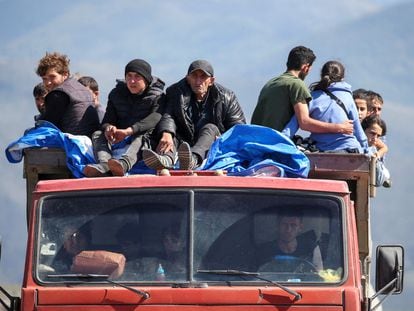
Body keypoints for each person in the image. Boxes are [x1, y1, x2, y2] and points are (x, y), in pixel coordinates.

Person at [142, 59, 246, 170]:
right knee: (172, 134)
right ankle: (166, 160)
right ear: (188, 78)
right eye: (194, 76)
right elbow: (168, 115)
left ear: (211, 81)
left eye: (203, 77)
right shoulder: (175, 92)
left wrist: (223, 139)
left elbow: (239, 129)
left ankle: (193, 160)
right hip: (184, 143)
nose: (198, 81)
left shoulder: (227, 97)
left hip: (212, 142)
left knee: (210, 128)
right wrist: (166, 133)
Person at [83, 59, 165, 177]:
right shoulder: (116, 94)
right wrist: (109, 128)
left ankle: (123, 165)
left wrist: (129, 131)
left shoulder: (158, 96)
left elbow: (154, 119)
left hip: (145, 138)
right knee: (97, 134)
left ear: (146, 79)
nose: (132, 81)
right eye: (129, 76)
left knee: (141, 137)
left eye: (137, 77)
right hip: (120, 137)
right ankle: (105, 165)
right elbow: (107, 120)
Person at [251, 46, 353, 135]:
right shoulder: (297, 84)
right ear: (305, 67)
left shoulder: (271, 83)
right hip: (274, 142)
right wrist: (339, 127)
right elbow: (304, 123)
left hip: (256, 138)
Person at [283, 61, 368, 153]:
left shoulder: (311, 97)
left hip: (319, 151)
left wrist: (279, 143)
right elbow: (358, 130)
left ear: (321, 75)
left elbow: (291, 127)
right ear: (342, 78)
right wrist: (366, 149)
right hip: (348, 149)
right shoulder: (348, 97)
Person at [36, 52, 100, 137]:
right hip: (90, 141)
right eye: (44, 78)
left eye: (52, 77)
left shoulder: (58, 94)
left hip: (71, 143)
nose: (48, 82)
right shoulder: (84, 90)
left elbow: (47, 125)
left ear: (65, 74)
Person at [257, 209, 323, 272]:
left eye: (293, 225)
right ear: (278, 226)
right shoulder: (264, 250)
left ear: (300, 228)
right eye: (284, 224)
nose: (288, 230)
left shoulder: (311, 249)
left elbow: (319, 275)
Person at [361, 115, 391, 188]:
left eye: (378, 136)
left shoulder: (373, 146)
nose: (375, 138)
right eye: (372, 133)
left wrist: (376, 157)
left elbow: (377, 181)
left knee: (386, 174)